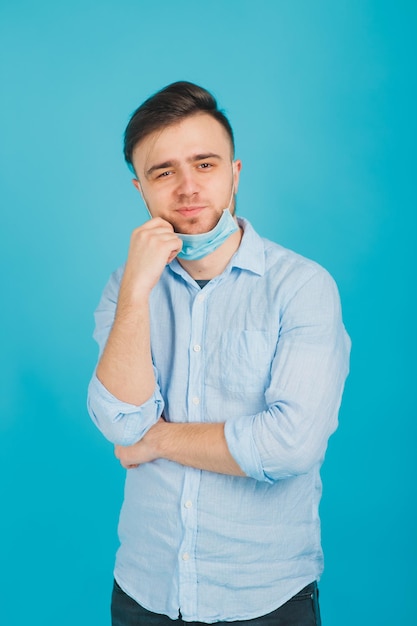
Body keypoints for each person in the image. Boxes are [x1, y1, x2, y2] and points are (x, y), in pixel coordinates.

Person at [87, 81, 350, 626]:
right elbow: (118, 420)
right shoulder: (124, 286)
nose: (187, 187)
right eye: (164, 172)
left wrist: (158, 437)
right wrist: (138, 289)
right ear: (141, 189)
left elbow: (289, 446)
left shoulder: (302, 286)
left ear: (234, 172)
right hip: (144, 591)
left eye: (205, 164)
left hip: (264, 598)